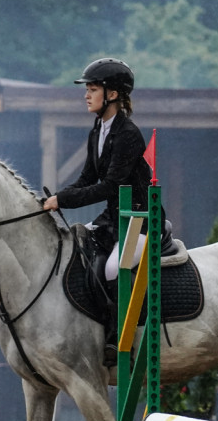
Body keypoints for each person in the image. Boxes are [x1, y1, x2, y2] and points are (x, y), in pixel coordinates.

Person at [42, 57, 175, 366]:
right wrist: (59, 195)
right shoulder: (97, 130)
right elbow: (88, 178)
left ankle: (117, 339)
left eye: (92, 89)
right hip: (116, 219)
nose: (86, 95)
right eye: (86, 89)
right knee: (77, 249)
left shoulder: (128, 134)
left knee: (113, 269)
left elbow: (111, 186)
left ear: (112, 94)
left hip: (141, 221)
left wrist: (64, 200)